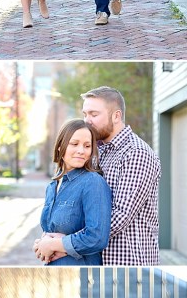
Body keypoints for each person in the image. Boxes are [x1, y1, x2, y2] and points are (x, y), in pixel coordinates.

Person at [80, 87, 161, 265]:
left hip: (127, 265)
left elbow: (119, 217)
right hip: (95, 260)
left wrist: (65, 241)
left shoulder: (136, 153)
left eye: (94, 114)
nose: (87, 121)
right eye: (85, 114)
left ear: (116, 116)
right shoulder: (97, 151)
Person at [34, 120, 112, 268]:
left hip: (82, 275)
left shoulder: (93, 182)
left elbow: (97, 237)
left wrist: (56, 245)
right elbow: (51, 230)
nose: (81, 151)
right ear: (60, 147)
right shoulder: (52, 186)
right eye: (74, 144)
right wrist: (42, 243)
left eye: (87, 146)